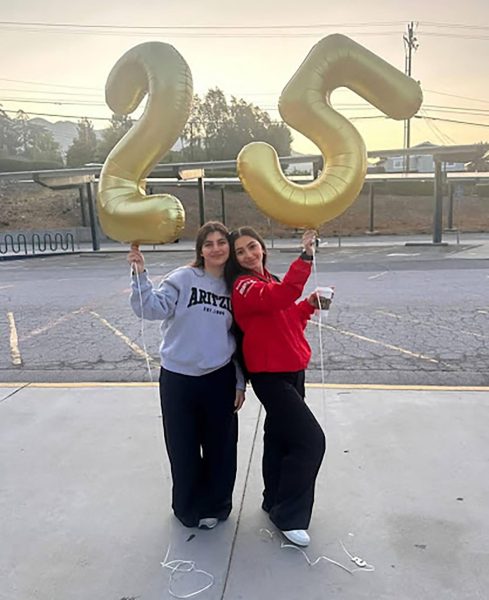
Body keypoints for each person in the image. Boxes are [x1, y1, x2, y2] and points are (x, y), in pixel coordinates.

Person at [127, 221, 245, 530]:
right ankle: (187, 507)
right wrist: (140, 274)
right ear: (201, 250)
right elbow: (150, 309)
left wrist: (239, 382)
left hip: (219, 378)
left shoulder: (235, 287)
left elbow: (240, 340)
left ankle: (217, 506)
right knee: (183, 447)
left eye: (222, 242)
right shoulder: (183, 278)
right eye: (209, 243)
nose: (216, 248)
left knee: (221, 448)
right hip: (178, 378)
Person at [225, 227, 328, 547]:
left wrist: (310, 303)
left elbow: (287, 316)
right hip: (270, 376)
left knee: (281, 439)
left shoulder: (268, 279)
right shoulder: (243, 286)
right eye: (240, 251)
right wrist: (306, 256)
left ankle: (274, 500)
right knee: (311, 441)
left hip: (293, 370)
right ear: (235, 259)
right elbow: (281, 297)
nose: (248, 255)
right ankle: (290, 516)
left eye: (252, 247)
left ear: (262, 248)